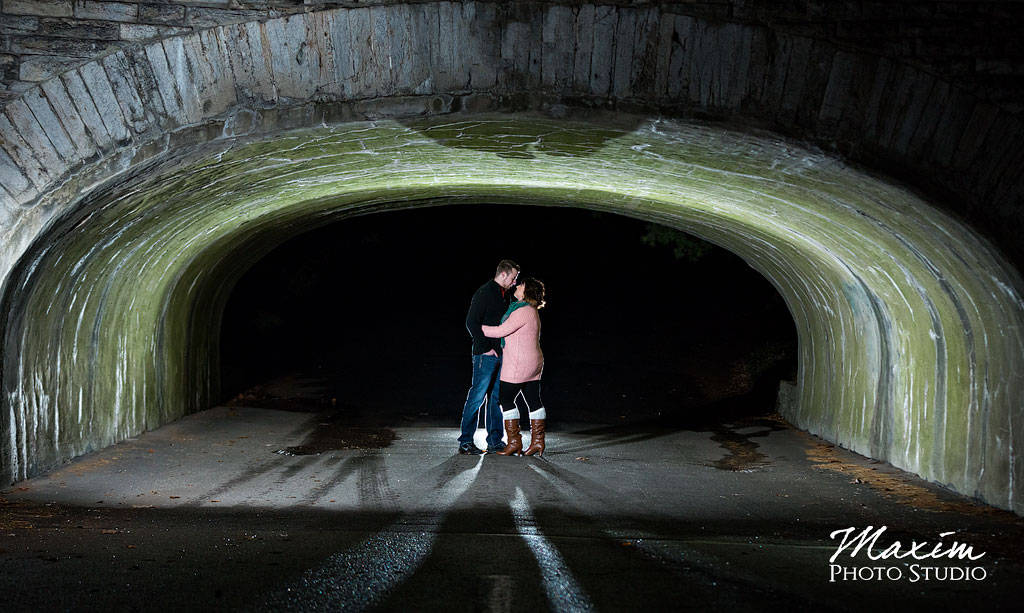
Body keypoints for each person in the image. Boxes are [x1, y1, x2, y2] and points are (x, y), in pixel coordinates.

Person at [458, 259, 520, 455]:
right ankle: (465, 441)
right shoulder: (484, 293)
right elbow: (471, 322)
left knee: (495, 400)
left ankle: (494, 441)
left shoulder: (506, 296)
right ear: (503, 274)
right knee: (477, 397)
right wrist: (485, 348)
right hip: (485, 355)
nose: (514, 282)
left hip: (501, 355)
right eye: (513, 277)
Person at [481, 278, 547, 457]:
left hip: (519, 364)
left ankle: (514, 443)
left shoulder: (522, 311)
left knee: (505, 399)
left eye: (521, 285)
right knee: (534, 400)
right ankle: (538, 442)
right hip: (534, 363)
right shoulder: (531, 311)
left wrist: (479, 328)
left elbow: (501, 331)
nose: (517, 286)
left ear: (527, 292)